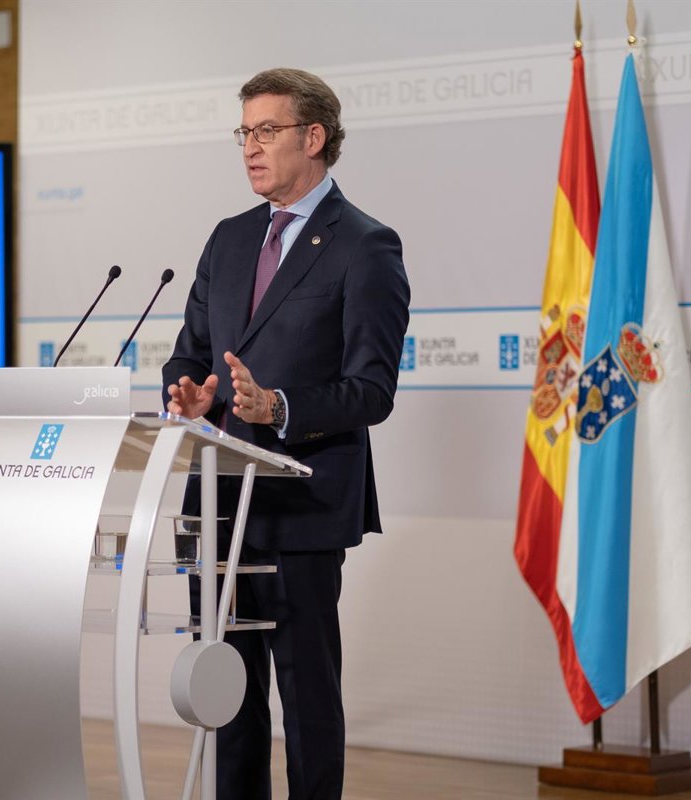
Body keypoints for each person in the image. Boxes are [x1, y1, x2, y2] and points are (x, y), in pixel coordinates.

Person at [162, 68, 411, 800]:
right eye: (244, 132)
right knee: (226, 695)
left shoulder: (365, 246)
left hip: (301, 507)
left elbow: (372, 391)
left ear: (314, 137)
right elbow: (191, 353)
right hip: (219, 504)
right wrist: (190, 393)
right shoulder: (229, 239)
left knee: (306, 701)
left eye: (266, 131)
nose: (250, 147)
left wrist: (277, 407)